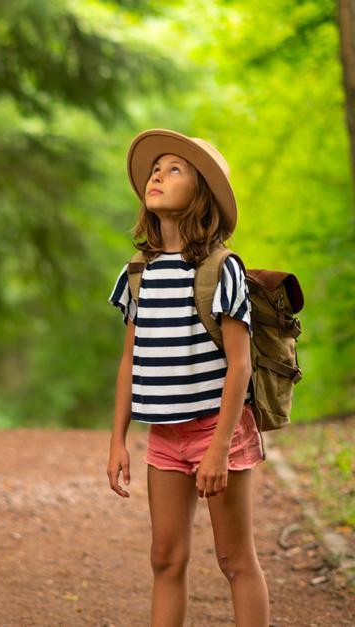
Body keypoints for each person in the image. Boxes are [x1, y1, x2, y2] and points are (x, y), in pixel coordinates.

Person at [105, 129, 270, 626]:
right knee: (165, 558)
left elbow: (239, 365)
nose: (158, 175)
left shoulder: (222, 270)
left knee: (234, 559)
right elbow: (130, 361)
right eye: (156, 169)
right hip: (164, 438)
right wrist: (118, 440)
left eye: (174, 169)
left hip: (218, 431)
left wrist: (219, 448)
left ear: (201, 195)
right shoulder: (138, 272)